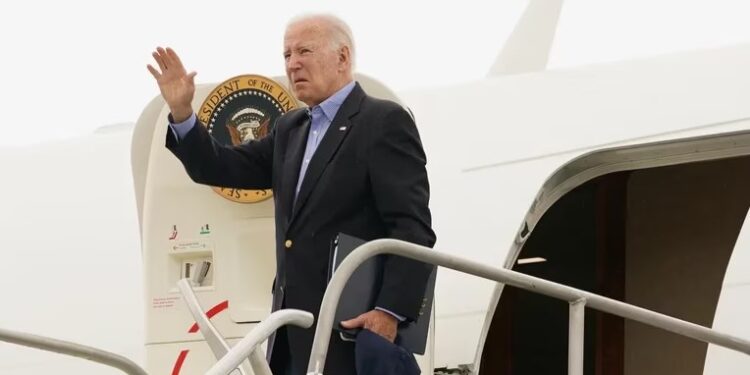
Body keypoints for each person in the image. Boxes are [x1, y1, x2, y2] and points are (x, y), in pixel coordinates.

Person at [147, 13, 436, 374]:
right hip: (291, 338)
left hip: (353, 335)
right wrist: (182, 111)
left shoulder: (382, 122)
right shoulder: (290, 129)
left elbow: (412, 229)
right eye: (286, 55)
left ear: (342, 57)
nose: (293, 63)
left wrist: (389, 313)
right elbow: (219, 167)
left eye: (304, 51)